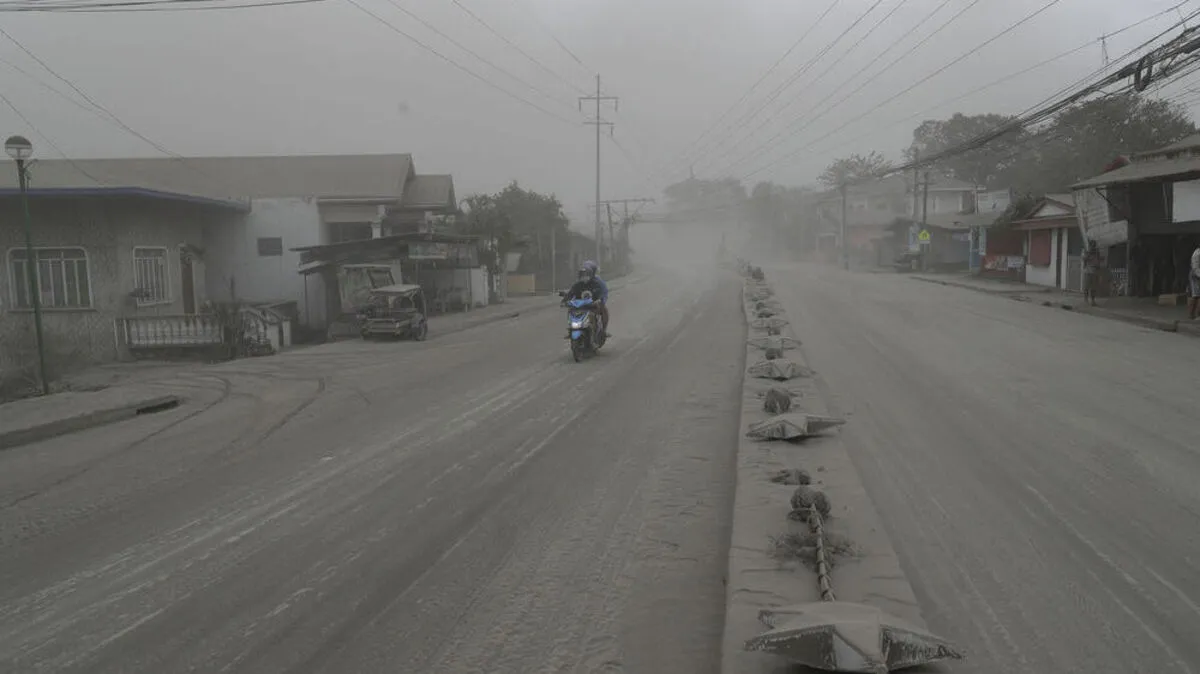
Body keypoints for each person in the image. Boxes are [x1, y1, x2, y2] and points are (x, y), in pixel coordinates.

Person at [564, 260, 609, 335]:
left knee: (604, 310)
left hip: (593, 305)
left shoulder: (597, 283)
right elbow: (571, 293)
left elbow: (602, 293)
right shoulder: (577, 284)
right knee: (570, 310)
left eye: (586, 274)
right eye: (582, 275)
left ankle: (602, 331)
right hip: (580, 305)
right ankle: (571, 329)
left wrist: (600, 300)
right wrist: (565, 301)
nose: (584, 277)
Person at [1082, 240, 1102, 307]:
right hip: (1088, 271)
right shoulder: (1087, 251)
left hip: (1094, 271)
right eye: (1092, 245)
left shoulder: (1097, 252)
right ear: (1090, 245)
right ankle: (1086, 300)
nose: (1093, 246)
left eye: (1094, 245)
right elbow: (1084, 259)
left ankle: (1093, 301)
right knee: (1086, 287)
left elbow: (1099, 261)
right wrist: (1089, 253)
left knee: (1093, 288)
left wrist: (1099, 271)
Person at [1189, 243, 1200, 320]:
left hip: (1197, 273)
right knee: (1196, 295)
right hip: (1195, 275)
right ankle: (1193, 314)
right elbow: (1195, 267)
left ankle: (1195, 314)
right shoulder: (1197, 253)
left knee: (1197, 295)